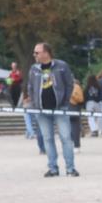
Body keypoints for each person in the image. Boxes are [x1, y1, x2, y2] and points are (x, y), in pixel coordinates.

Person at [28, 42, 78, 177]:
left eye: (37, 52)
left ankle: (70, 168)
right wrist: (34, 104)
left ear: (46, 53)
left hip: (60, 108)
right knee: (48, 139)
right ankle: (53, 168)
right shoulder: (34, 69)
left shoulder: (62, 66)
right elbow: (31, 87)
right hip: (41, 110)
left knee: (66, 137)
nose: (34, 55)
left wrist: (65, 102)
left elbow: (69, 84)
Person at [69, 78, 85, 149]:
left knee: (74, 126)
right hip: (73, 106)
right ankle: (75, 144)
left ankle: (75, 144)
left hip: (73, 106)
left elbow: (80, 99)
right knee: (74, 126)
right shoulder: (76, 86)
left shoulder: (75, 87)